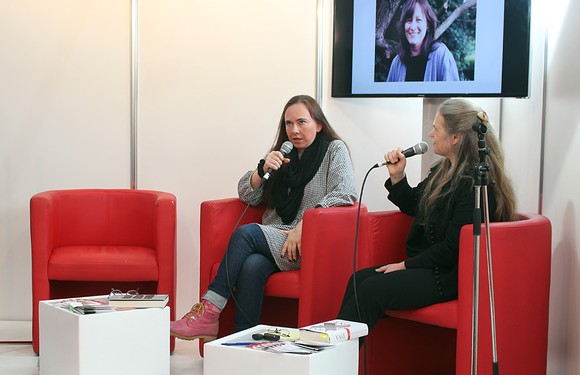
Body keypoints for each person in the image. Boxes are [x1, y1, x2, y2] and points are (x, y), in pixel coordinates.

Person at [171, 95, 358, 341]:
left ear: (319, 124)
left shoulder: (334, 150)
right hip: (275, 237)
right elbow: (247, 194)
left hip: (306, 241)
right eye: (288, 124)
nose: (294, 130)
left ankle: (209, 311)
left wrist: (306, 224)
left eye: (302, 122)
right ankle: (244, 345)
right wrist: (263, 170)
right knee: (251, 267)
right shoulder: (282, 154)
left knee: (246, 233)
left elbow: (345, 192)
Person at [337, 98, 517, 334]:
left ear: (456, 137)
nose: (431, 134)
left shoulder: (475, 183)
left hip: (447, 275)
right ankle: (340, 360)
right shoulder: (443, 171)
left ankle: (336, 361)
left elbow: (453, 247)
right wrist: (398, 177)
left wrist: (405, 265)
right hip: (427, 267)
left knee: (371, 290)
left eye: (437, 128)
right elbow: (415, 205)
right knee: (358, 280)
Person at [386, 0, 459, 82]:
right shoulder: (397, 63)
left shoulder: (442, 55)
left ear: (428, 25)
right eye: (409, 20)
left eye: (418, 20)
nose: (413, 27)